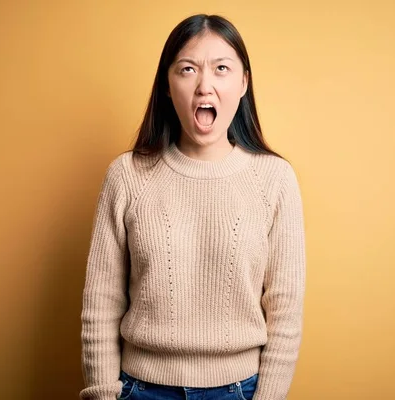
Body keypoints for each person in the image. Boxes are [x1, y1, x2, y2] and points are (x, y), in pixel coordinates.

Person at [79, 13, 306, 400]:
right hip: (139, 390)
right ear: (167, 85)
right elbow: (100, 306)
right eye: (187, 69)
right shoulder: (127, 176)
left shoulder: (275, 180)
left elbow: (285, 313)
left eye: (221, 69)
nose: (205, 86)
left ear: (243, 83)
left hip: (239, 391)